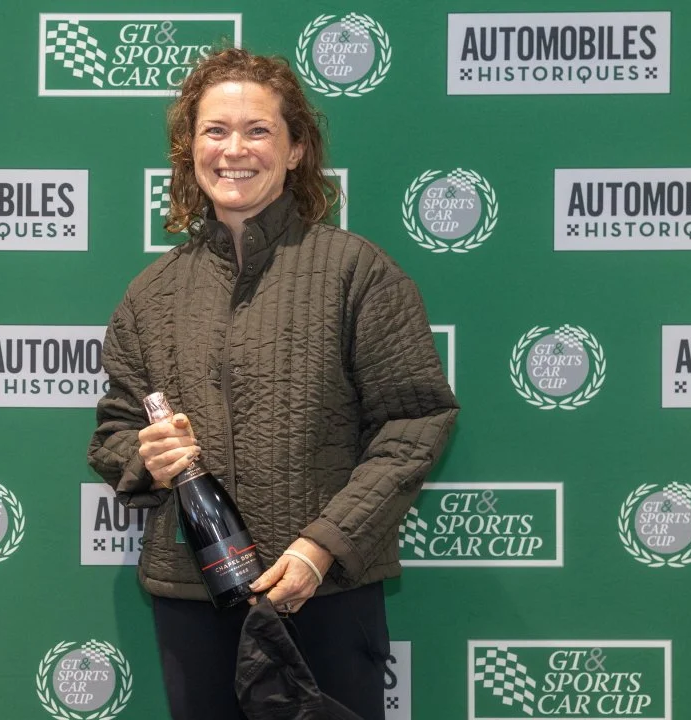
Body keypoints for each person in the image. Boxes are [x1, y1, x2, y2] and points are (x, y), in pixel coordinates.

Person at [88, 47, 458, 720]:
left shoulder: (357, 272)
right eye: (215, 131)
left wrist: (323, 547)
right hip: (193, 601)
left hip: (326, 595)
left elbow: (414, 423)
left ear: (295, 150)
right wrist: (147, 458)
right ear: (190, 150)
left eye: (258, 130)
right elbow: (114, 429)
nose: (235, 150)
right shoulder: (151, 293)